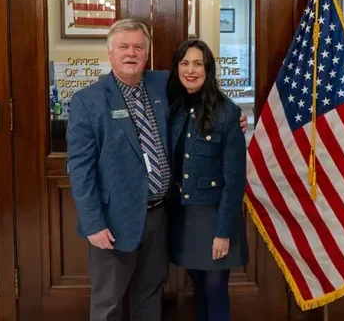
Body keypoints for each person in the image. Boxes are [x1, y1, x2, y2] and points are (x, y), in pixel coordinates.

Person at [66, 19, 247, 321]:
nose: (131, 53)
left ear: (147, 54)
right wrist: (93, 223)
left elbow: (202, 90)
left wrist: (234, 115)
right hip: (114, 221)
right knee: (108, 301)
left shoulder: (161, 84)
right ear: (109, 52)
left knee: (150, 295)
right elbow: (79, 168)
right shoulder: (88, 101)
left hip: (160, 216)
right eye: (123, 46)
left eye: (138, 47)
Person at [166, 39, 248, 321]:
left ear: (208, 69)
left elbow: (234, 180)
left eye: (198, 64)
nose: (190, 70)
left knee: (215, 289)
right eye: (184, 63)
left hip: (214, 217)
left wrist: (223, 232)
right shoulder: (174, 108)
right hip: (184, 216)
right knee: (198, 288)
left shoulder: (227, 113)